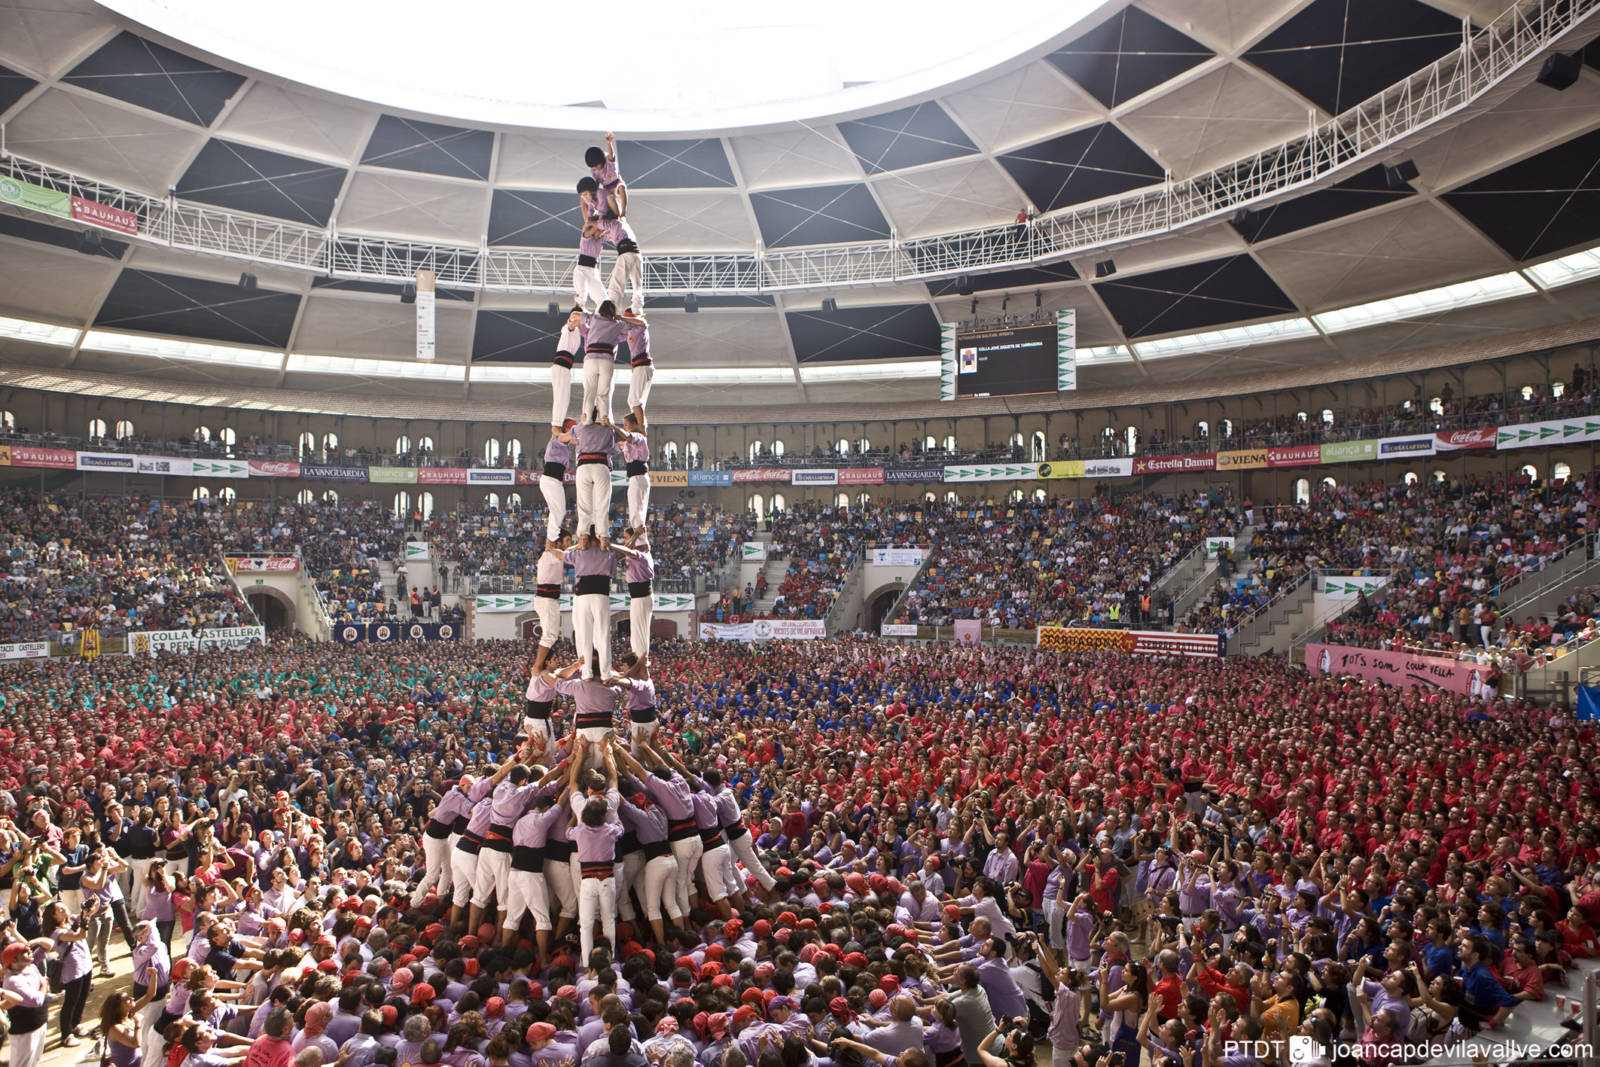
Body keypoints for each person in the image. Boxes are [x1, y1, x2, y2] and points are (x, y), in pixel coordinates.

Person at [565, 736, 624, 964]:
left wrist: (579, 756)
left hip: (587, 878)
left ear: (588, 790)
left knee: (586, 922)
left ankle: (587, 964)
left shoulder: (580, 809)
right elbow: (615, 780)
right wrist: (607, 753)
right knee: (609, 918)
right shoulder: (611, 811)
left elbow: (571, 784)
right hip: (608, 875)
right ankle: (609, 958)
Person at [562, 532, 621, 679]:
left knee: (584, 635)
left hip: (583, 595)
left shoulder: (578, 552)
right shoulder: (609, 552)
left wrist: (578, 545)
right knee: (603, 635)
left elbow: (562, 554)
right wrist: (609, 544)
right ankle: (606, 674)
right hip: (601, 595)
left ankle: (586, 672)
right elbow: (627, 551)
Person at [571, 413, 620, 541]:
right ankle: (603, 535)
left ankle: (583, 535)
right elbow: (617, 443)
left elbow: (568, 437)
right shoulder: (607, 428)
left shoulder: (580, 428)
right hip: (601, 465)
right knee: (602, 504)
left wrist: (581, 423)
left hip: (583, 466)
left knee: (583, 505)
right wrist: (610, 424)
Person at [1, 939, 50, 1067]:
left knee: (34, 1063)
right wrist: (44, 985)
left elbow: (49, 945)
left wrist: (35, 941)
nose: (29, 951)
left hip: (40, 1024)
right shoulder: (13, 981)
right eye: (23, 951)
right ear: (14, 960)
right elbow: (37, 1000)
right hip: (25, 1033)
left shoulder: (31, 966)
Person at [610, 528, 654, 663]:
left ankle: (642, 661)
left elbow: (627, 550)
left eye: (626, 537)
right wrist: (634, 536)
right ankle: (640, 658)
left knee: (640, 631)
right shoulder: (632, 553)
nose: (624, 540)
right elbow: (626, 549)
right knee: (636, 631)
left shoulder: (642, 555)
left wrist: (610, 544)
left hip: (642, 596)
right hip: (637, 597)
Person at [540, 424, 577, 543]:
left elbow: (575, 440)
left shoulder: (565, 445)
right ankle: (552, 539)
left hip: (555, 481)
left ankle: (552, 538)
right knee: (559, 511)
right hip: (551, 480)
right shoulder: (557, 440)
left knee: (557, 511)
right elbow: (568, 437)